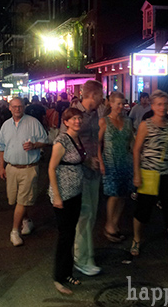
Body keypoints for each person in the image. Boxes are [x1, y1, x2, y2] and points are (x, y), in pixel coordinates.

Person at [131, 90, 168, 264]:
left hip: (166, 173)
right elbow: (137, 149)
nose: (162, 107)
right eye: (158, 104)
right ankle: (136, 239)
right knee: (143, 210)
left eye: (165, 104)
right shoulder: (145, 125)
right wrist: (137, 173)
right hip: (148, 172)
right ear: (152, 105)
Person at [59, 80, 104, 276]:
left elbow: (95, 141)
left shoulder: (95, 113)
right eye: (102, 94)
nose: (104, 98)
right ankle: (81, 259)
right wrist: (86, 160)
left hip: (93, 172)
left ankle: (86, 255)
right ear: (93, 95)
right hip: (79, 174)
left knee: (91, 216)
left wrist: (99, 159)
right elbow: (64, 144)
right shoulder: (73, 115)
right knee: (84, 217)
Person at [0, 97, 49, 246]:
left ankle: (14, 231)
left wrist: (34, 145)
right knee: (15, 200)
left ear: (24, 107)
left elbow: (46, 140)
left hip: (29, 168)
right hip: (11, 168)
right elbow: (1, 147)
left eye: (20, 106)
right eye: (14, 107)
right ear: (9, 108)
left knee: (22, 200)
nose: (17, 109)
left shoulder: (33, 122)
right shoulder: (6, 125)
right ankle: (26, 221)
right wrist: (2, 167)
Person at [48, 108, 86, 295]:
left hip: (75, 193)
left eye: (79, 118)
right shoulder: (61, 141)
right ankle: (58, 277)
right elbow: (51, 168)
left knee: (70, 233)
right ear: (66, 122)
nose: (77, 121)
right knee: (65, 236)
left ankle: (67, 272)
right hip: (62, 195)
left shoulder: (77, 139)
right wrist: (56, 196)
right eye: (73, 119)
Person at [98, 91, 134, 243]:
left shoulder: (128, 121)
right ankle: (109, 225)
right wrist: (100, 161)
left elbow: (132, 142)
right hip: (110, 161)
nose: (120, 106)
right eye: (117, 103)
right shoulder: (104, 121)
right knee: (113, 194)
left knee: (123, 194)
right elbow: (98, 143)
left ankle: (115, 223)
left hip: (126, 161)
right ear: (110, 104)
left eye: (122, 103)